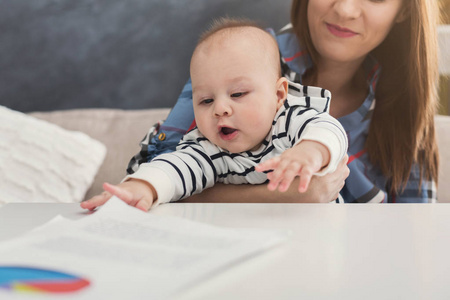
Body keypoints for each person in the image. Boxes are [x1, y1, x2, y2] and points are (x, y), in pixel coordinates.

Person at [85, 0, 440, 208]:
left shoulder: (402, 97)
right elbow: (156, 175)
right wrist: (282, 197)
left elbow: (419, 230)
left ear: (405, 10)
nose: (345, 9)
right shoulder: (232, 59)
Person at [81, 19, 348, 211]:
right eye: (206, 100)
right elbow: (175, 169)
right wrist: (142, 188)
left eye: (238, 94)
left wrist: (311, 151)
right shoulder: (209, 148)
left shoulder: (290, 120)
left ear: (278, 96)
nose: (220, 109)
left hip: (321, 235)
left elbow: (328, 128)